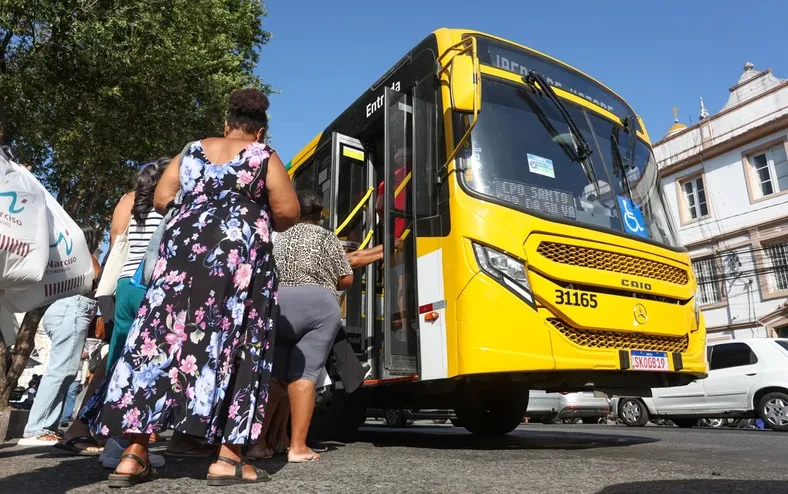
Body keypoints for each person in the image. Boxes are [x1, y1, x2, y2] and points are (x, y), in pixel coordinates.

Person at [81, 87, 299, 488]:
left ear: (226, 124)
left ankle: (132, 455)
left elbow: (164, 198)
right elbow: (287, 212)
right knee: (234, 345)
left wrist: (202, 206)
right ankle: (228, 460)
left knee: (160, 343)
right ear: (260, 131)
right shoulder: (263, 157)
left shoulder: (191, 150)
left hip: (180, 264)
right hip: (236, 270)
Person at [265, 189, 354, 463]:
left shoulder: (278, 238)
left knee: (275, 376)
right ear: (318, 214)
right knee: (305, 373)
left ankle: (257, 444)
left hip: (280, 305)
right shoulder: (326, 237)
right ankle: (298, 447)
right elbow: (345, 279)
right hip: (318, 305)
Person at [18, 225, 102, 446]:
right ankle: (36, 428)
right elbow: (99, 276)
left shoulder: (61, 258)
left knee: (64, 370)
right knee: (62, 369)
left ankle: (46, 426)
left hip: (61, 310)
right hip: (72, 311)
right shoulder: (83, 257)